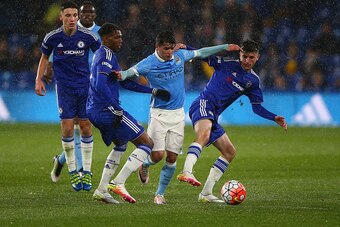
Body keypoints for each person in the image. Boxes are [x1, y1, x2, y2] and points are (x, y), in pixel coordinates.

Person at [114, 30, 241, 204]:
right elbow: (130, 72)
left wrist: (225, 47)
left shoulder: (179, 55)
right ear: (157, 47)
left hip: (178, 114)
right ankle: (145, 165)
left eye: (171, 48)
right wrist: (121, 74)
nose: (169, 52)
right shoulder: (149, 63)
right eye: (165, 49)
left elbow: (202, 52)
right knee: (157, 155)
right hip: (158, 114)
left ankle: (159, 195)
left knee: (172, 157)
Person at [176, 40, 287, 203]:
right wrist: (188, 48)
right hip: (203, 103)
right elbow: (202, 56)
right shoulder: (226, 64)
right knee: (204, 134)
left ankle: (205, 193)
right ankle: (187, 171)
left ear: (257, 57)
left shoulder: (253, 81)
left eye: (251, 57)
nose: (247, 61)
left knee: (229, 152)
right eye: (244, 56)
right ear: (239, 55)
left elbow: (257, 108)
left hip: (214, 115)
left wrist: (273, 117)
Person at [86, 23, 171, 204]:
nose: (121, 40)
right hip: (105, 108)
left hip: (95, 109)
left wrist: (152, 91)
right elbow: (100, 85)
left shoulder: (105, 56)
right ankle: (118, 182)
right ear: (106, 38)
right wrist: (114, 107)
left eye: (121, 37)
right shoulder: (105, 56)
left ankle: (102, 189)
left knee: (121, 144)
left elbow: (123, 83)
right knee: (147, 143)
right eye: (117, 37)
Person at [35, 1, 101, 191]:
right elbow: (44, 58)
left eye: (75, 15)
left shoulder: (89, 36)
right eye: (69, 15)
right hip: (64, 88)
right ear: (61, 17)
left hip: (85, 87)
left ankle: (86, 173)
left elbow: (102, 55)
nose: (72, 19)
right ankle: (73, 172)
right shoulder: (52, 37)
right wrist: (38, 79)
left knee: (87, 127)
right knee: (67, 129)